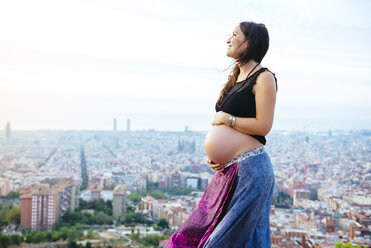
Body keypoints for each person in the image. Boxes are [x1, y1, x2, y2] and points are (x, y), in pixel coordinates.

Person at [165, 21, 278, 248]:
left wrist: (227, 119)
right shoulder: (236, 78)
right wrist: (217, 157)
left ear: (248, 43)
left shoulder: (264, 77)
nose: (228, 39)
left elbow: (263, 126)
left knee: (225, 241)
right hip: (229, 171)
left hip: (251, 170)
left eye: (234, 35)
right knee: (200, 231)